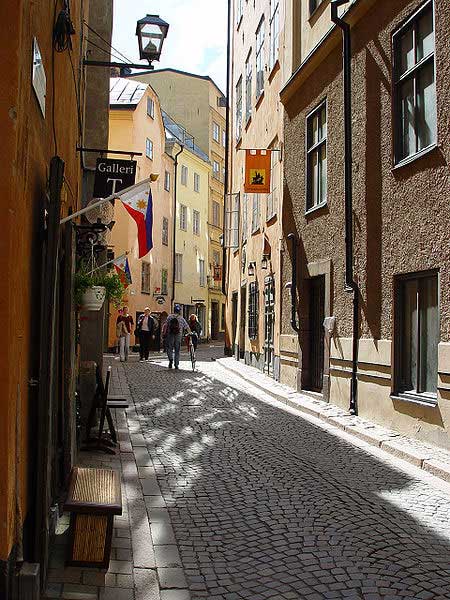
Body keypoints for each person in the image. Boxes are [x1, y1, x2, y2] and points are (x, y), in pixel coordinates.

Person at [162, 304, 189, 369]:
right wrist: (190, 333)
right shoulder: (181, 318)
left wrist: (163, 333)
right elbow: (187, 327)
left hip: (170, 334)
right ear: (179, 311)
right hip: (178, 335)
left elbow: (165, 325)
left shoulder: (169, 317)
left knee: (169, 348)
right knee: (177, 350)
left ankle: (170, 359)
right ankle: (176, 364)